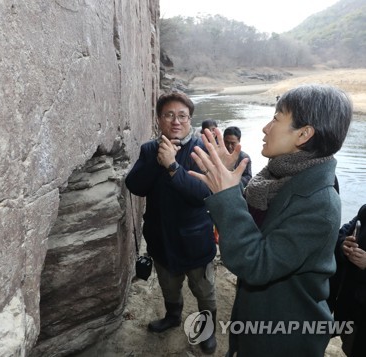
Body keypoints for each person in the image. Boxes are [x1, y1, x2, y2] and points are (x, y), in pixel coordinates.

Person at [188, 84, 352, 356]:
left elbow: (257, 263)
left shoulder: (319, 203)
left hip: (285, 334)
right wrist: (230, 178)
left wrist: (227, 195)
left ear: (304, 134)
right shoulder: (279, 178)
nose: (265, 128)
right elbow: (256, 227)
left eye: (276, 119)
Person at [125, 92, 218, 354]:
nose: (175, 121)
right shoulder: (149, 149)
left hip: (195, 240)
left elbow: (203, 195)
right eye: (169, 115)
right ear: (159, 120)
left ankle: (207, 329)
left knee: (204, 289)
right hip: (160, 238)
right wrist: (158, 161)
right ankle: (173, 316)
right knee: (169, 285)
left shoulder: (202, 149)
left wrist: (173, 167)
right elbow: (135, 186)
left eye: (182, 116)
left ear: (190, 120)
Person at [330, 204, 366, 356]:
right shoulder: (365, 211)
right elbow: (342, 232)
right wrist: (344, 244)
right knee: (350, 347)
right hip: (352, 306)